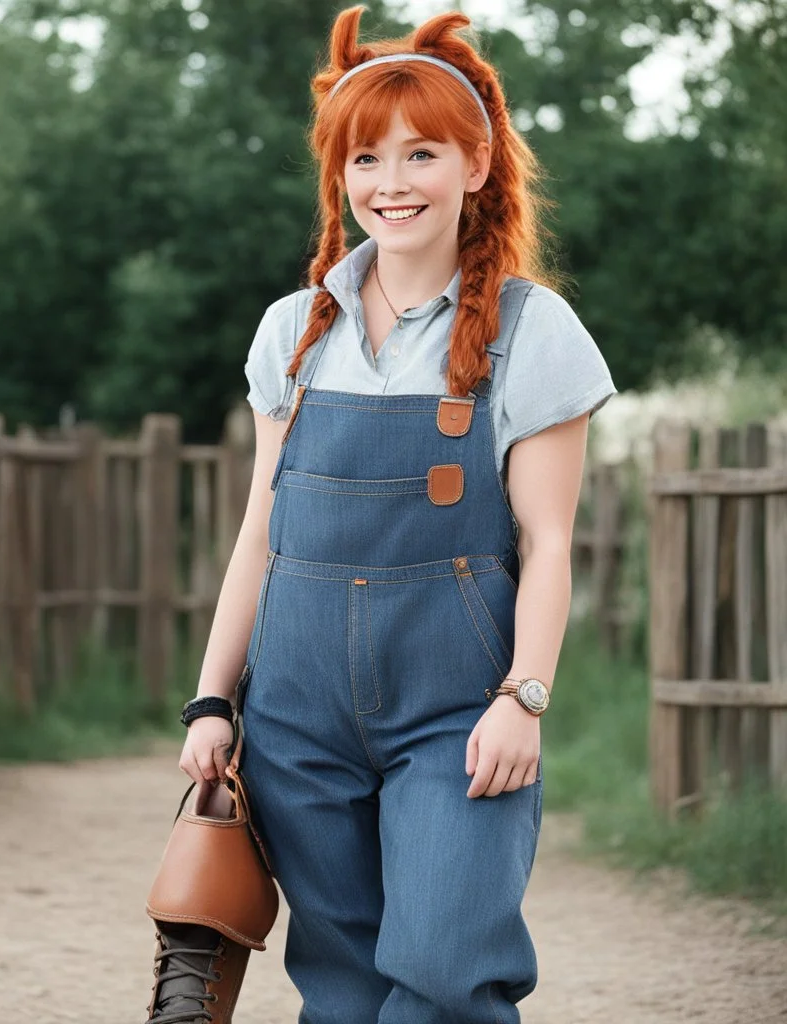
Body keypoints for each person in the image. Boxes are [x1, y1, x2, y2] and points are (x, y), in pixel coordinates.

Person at [168, 6, 616, 1022]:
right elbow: (259, 533)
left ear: (475, 162)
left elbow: (547, 544)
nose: (391, 182)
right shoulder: (292, 329)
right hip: (294, 709)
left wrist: (524, 696)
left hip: (458, 708)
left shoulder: (531, 330)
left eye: (421, 153)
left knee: (448, 968)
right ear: (340, 175)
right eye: (365, 157)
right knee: (341, 976)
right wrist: (210, 700)